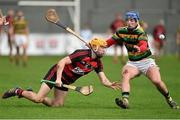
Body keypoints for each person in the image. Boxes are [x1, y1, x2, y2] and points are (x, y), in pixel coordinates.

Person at [2, 38, 121, 107]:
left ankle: (30, 93)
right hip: (56, 74)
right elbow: (61, 62)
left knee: (56, 104)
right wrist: (58, 79)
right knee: (37, 99)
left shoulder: (98, 63)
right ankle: (18, 91)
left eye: (105, 48)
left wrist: (109, 84)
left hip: (67, 81)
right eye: (102, 48)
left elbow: (103, 79)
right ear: (95, 47)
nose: (104, 51)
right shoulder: (81, 54)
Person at [105, 11, 179, 109]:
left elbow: (143, 45)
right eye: (128, 20)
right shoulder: (121, 31)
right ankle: (125, 101)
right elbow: (108, 43)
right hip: (132, 63)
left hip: (146, 62)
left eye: (132, 20)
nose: (129, 22)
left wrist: (139, 48)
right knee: (125, 75)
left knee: (156, 81)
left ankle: (169, 99)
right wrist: (96, 44)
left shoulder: (140, 32)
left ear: (137, 21)